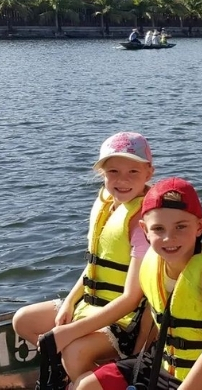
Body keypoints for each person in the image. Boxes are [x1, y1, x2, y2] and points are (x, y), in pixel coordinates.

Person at [73, 177, 202, 390]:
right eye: (159, 229)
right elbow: (153, 318)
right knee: (88, 385)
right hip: (164, 366)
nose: (169, 238)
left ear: (200, 226)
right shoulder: (152, 263)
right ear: (145, 229)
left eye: (181, 227)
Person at [12, 132, 155, 382]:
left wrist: (69, 333)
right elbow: (95, 266)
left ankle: (91, 380)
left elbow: (132, 298)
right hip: (90, 304)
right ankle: (84, 375)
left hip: (126, 321)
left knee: (73, 352)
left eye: (133, 171)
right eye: (113, 172)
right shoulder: (107, 202)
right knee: (23, 321)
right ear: (102, 174)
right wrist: (69, 302)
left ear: (148, 173)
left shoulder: (141, 221)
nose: (122, 180)